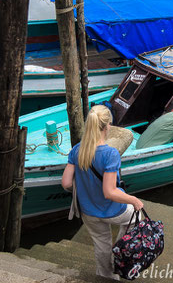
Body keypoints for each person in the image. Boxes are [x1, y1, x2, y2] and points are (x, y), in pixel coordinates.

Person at [62, 105, 144, 280]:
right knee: (136, 217)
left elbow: (66, 183)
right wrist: (133, 200)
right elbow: (109, 191)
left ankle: (106, 276)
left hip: (88, 211)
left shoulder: (77, 150)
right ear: (107, 126)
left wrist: (84, 189)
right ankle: (120, 249)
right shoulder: (110, 154)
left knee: (101, 244)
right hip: (112, 210)